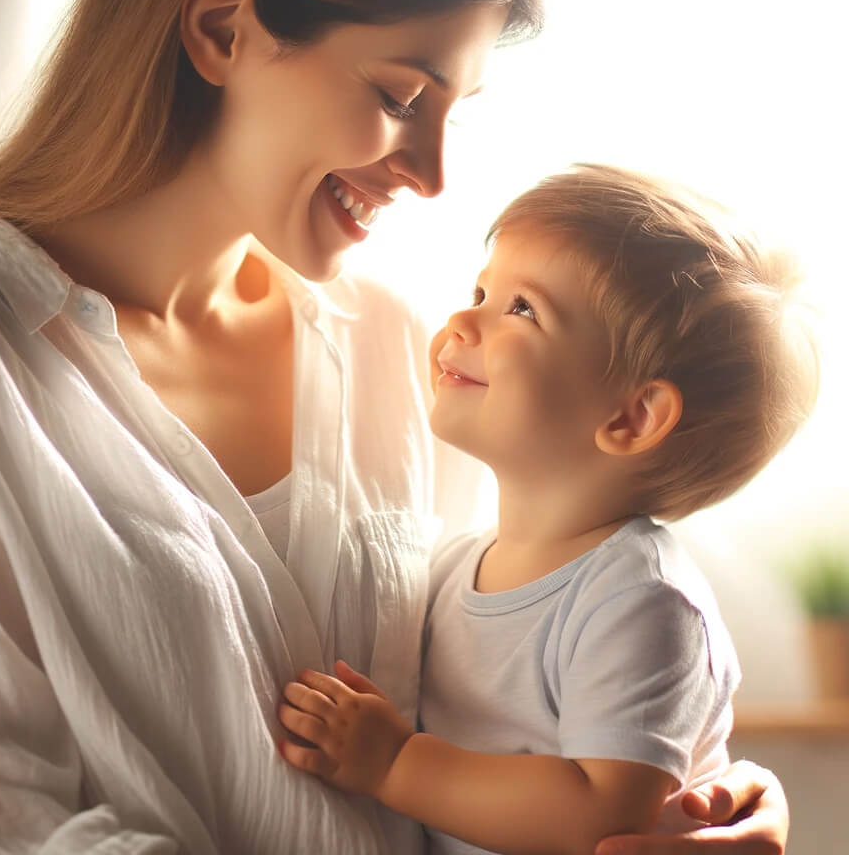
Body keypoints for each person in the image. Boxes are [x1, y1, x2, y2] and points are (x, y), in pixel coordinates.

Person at [0, 0, 789, 850]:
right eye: (398, 98)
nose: (430, 176)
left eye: (452, 113)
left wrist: (706, 794)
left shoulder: (402, 348)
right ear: (221, 26)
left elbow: (527, 710)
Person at [278, 164, 819, 854]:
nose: (461, 320)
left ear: (632, 416)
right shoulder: (455, 566)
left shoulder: (643, 599)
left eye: (522, 309)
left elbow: (600, 813)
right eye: (480, 291)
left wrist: (393, 763)